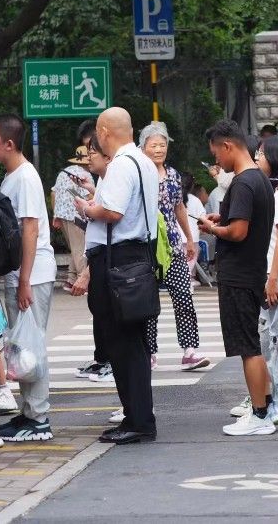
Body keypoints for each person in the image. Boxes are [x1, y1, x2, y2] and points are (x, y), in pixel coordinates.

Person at [72, 107, 160, 444]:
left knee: (124, 345)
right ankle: (136, 416)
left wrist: (87, 208)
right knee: (130, 344)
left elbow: (112, 212)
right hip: (134, 257)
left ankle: (138, 421)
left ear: (104, 131)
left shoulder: (122, 164)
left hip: (118, 260)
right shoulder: (142, 162)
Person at [198, 120, 276, 436]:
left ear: (227, 146)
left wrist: (214, 229)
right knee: (250, 344)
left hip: (239, 274)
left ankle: (259, 416)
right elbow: (244, 222)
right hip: (252, 270)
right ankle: (265, 407)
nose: (216, 160)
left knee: (248, 347)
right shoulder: (259, 180)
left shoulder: (242, 183)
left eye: (216, 152)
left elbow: (239, 231)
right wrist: (224, 219)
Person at [0, 113, 58, 442]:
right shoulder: (13, 175)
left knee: (31, 344)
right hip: (23, 272)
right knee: (22, 345)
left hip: (33, 272)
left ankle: (39, 417)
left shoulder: (24, 177)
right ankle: (29, 412)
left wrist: (24, 279)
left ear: (8, 144)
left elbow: (30, 228)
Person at [228, 135, 278, 424]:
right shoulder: (272, 191)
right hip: (272, 273)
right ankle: (275, 398)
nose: (257, 158)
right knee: (273, 339)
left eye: (261, 154)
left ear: (275, 159)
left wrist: (273, 279)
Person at [139, 121, 209, 371]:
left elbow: (180, 208)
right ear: (143, 147)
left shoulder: (174, 175)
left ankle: (189, 350)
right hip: (147, 245)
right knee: (147, 301)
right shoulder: (139, 174)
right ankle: (149, 352)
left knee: (183, 295)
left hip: (172, 244)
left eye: (163, 144)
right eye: (153, 145)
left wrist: (189, 239)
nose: (159, 149)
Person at [52, 146, 94, 293]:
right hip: (77, 216)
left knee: (74, 248)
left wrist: (55, 216)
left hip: (63, 215)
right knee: (80, 249)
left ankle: (70, 280)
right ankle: (84, 282)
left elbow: (53, 193)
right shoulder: (85, 175)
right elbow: (89, 197)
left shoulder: (64, 172)